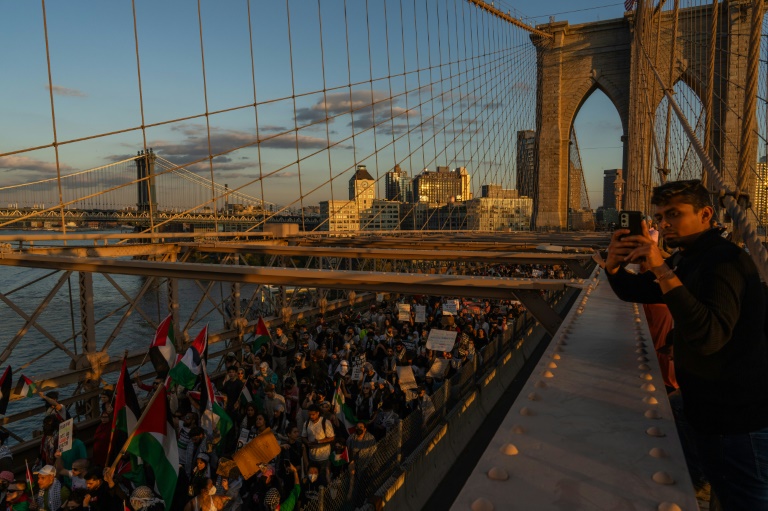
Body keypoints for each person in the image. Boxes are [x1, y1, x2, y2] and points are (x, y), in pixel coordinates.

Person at [605, 179, 768, 511]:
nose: (664, 224)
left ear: (706, 213)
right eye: (660, 216)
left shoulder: (725, 262)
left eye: (674, 214)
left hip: (739, 422)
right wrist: (613, 264)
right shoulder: (688, 259)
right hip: (708, 409)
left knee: (745, 501)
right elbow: (637, 291)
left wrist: (661, 266)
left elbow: (709, 337)